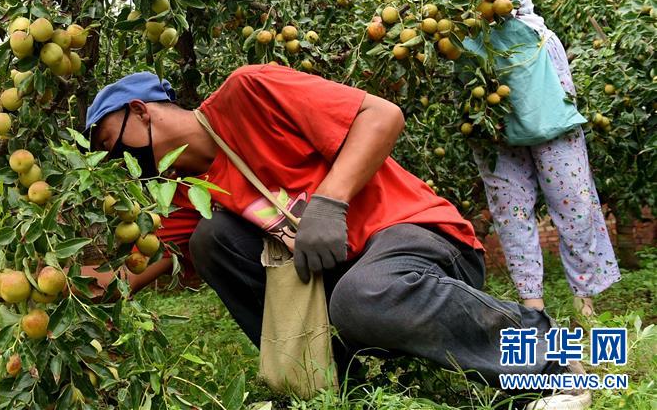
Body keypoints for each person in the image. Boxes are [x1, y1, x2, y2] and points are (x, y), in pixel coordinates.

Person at [85, 66, 592, 409]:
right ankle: (339, 377)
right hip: (350, 282)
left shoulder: (247, 92)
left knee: (364, 293)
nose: (122, 166)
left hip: (415, 236)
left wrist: (331, 200)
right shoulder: (189, 193)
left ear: (142, 111)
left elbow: (382, 115)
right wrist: (67, 295)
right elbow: (140, 267)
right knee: (210, 239)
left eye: (112, 146)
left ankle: (555, 360)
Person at [431, 0, 620, 317]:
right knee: (507, 200)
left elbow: (477, 3)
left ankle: (585, 302)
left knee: (570, 194)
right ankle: (532, 308)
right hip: (484, 92)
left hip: (535, 83)